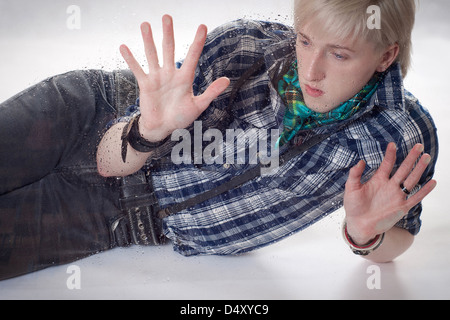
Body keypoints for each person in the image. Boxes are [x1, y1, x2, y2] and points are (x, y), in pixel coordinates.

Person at [0, 0, 438, 281]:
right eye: (306, 41)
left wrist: (364, 234)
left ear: (386, 54)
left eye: (339, 54)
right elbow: (109, 161)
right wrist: (148, 131)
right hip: (97, 116)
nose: (311, 71)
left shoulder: (401, 138)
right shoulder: (244, 47)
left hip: (122, 219)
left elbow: (400, 236)